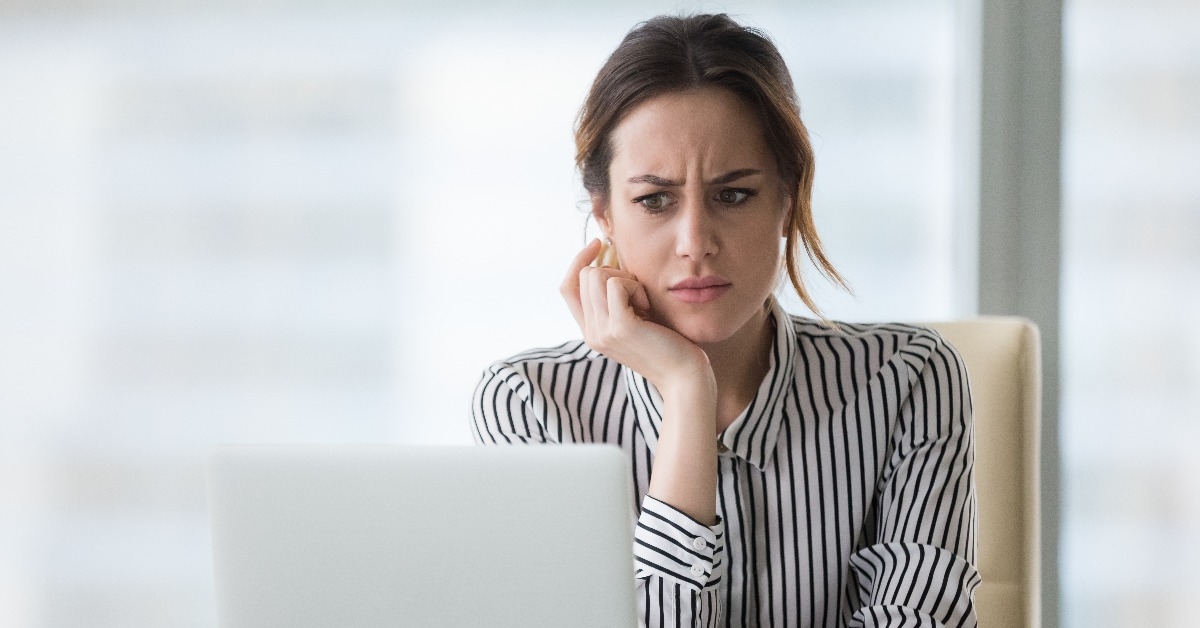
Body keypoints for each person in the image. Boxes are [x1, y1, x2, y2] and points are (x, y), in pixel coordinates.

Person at [471, 13, 979, 628]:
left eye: (733, 194)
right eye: (654, 200)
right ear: (604, 216)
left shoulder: (907, 380)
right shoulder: (531, 406)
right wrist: (687, 393)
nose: (695, 242)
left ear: (787, 201)